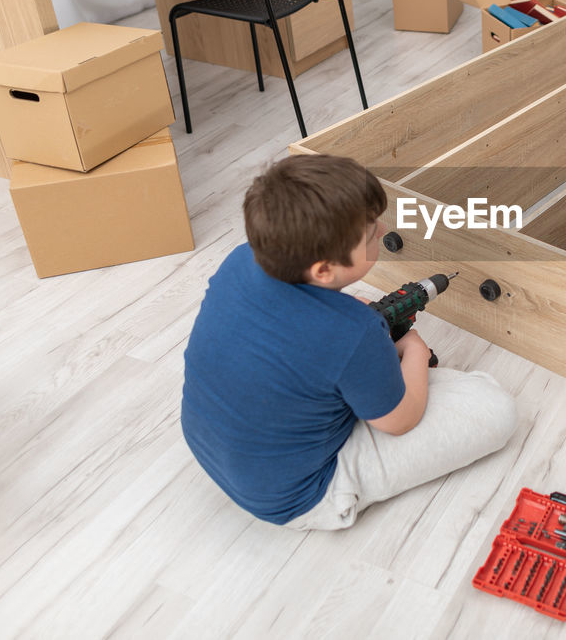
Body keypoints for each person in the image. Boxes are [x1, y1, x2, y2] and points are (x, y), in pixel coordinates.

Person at [181, 154, 517, 529]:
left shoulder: (241, 259)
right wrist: (415, 353)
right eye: (370, 232)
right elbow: (401, 421)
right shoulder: (352, 331)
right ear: (323, 270)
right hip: (299, 495)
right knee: (493, 407)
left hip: (213, 448)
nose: (382, 229)